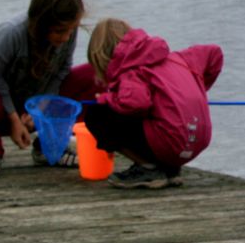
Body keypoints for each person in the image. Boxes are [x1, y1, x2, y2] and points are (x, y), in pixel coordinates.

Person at [0, 0, 101, 176]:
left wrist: (42, 107)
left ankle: (49, 146)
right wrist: (14, 119)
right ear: (42, 23)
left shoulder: (69, 31)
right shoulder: (11, 33)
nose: (66, 37)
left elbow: (62, 72)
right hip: (2, 109)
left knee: (97, 73)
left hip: (37, 106)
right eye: (60, 31)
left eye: (71, 30)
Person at [85, 19, 223, 189]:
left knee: (97, 115)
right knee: (157, 117)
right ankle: (169, 169)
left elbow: (136, 104)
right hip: (198, 140)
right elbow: (214, 54)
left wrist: (106, 99)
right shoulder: (178, 58)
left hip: (171, 142)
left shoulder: (131, 69)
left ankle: (148, 168)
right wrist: (195, 90)